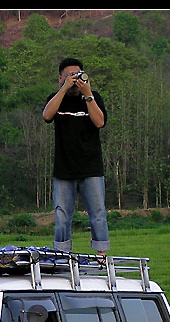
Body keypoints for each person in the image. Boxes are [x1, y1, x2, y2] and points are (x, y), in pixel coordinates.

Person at [43, 57, 110, 262]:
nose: (74, 79)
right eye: (70, 76)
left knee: (97, 213)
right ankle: (62, 256)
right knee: (62, 215)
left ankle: (101, 255)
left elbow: (99, 122)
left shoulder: (93, 97)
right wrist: (64, 89)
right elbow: (47, 116)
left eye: (77, 75)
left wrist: (87, 94)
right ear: (60, 78)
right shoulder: (56, 98)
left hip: (91, 167)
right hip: (64, 169)